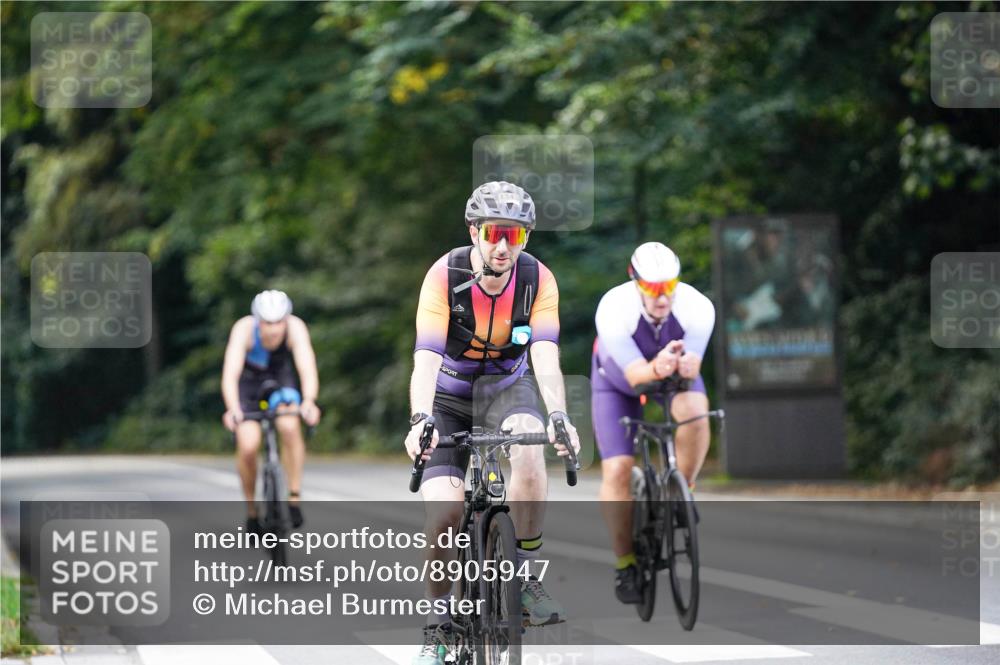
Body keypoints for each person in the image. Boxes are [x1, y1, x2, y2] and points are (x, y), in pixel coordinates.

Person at [403, 181, 581, 665]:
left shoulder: (538, 279)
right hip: (449, 397)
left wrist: (560, 414)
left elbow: (545, 354)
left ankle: (522, 576)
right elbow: (426, 359)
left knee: (529, 452)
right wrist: (421, 418)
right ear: (474, 231)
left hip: (508, 389)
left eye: (516, 236)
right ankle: (439, 622)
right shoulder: (444, 275)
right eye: (494, 233)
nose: (503, 246)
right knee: (443, 517)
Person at [591, 242, 716, 604]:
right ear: (636, 282)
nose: (662, 297)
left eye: (669, 287)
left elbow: (692, 366)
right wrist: (658, 366)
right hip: (618, 381)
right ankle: (625, 562)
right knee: (617, 471)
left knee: (696, 412)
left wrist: (688, 365)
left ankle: (682, 487)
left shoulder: (698, 307)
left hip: (669, 373)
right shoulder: (614, 308)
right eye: (652, 288)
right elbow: (635, 377)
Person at [221, 290, 321, 534]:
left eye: (279, 322)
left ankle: (294, 498)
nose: (274, 329)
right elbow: (230, 374)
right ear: (257, 321)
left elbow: (307, 367)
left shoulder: (296, 327)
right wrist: (232, 408)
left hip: (280, 381)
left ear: (286, 319)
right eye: (267, 323)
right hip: (248, 385)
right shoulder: (243, 329)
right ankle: (252, 511)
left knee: (289, 426)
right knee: (248, 445)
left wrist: (309, 401)